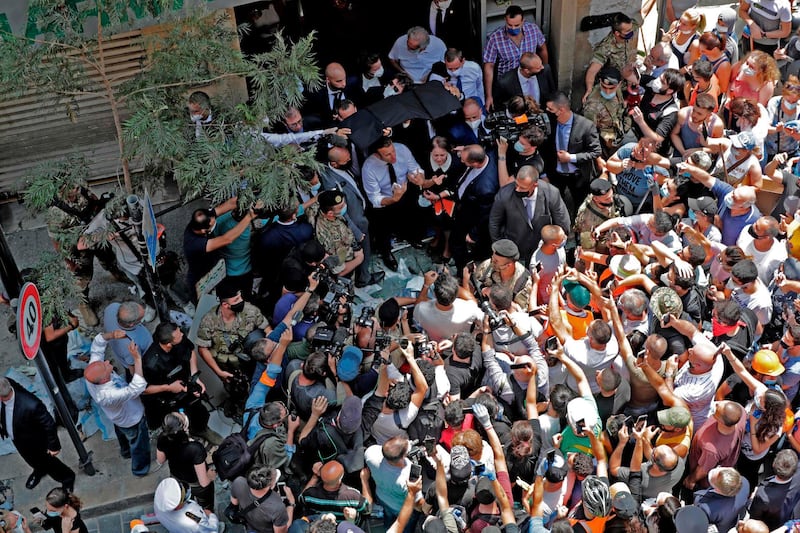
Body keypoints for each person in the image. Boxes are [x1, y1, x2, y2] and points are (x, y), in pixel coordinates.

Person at [84, 330, 150, 477]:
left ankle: (125, 452)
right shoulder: (108, 395)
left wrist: (113, 335)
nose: (107, 362)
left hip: (117, 417)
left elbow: (97, 343)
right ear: (103, 380)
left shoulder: (94, 371)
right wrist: (137, 359)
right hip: (131, 419)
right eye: (106, 367)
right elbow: (137, 388)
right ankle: (140, 469)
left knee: (122, 434)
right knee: (139, 444)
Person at [0, 377, 75, 492]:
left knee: (50, 463)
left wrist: (53, 446)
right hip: (19, 439)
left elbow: (49, 424)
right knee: (30, 459)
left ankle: (67, 478)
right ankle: (39, 470)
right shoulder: (5, 383)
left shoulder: (32, 405)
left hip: (36, 441)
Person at [361, 137, 424, 271]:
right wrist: (394, 199)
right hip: (385, 201)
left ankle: (410, 236)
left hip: (405, 191)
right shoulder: (369, 167)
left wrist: (419, 178)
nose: (394, 156)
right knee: (383, 229)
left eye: (393, 151)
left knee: (410, 217)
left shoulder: (402, 148)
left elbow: (415, 168)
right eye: (388, 154)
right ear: (377, 154)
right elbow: (374, 198)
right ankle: (386, 252)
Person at [141, 321, 212, 437]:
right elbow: (143, 389)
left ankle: (202, 430)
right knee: (177, 424)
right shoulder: (151, 363)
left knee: (199, 413)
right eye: (179, 335)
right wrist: (169, 387)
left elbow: (190, 351)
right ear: (169, 344)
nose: (183, 335)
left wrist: (194, 376)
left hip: (185, 385)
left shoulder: (180, 339)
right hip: (167, 399)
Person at [489, 165, 570, 266]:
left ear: (535, 185)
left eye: (523, 188)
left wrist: (555, 244)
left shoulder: (551, 193)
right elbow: (494, 223)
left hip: (543, 249)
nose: (517, 189)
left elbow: (562, 222)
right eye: (516, 185)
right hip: (516, 248)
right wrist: (501, 250)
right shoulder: (504, 194)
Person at [182, 197, 256, 297]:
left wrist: (247, 197)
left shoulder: (204, 219)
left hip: (215, 271)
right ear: (204, 231)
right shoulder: (195, 243)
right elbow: (227, 239)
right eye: (213, 224)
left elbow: (229, 204)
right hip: (202, 281)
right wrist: (248, 217)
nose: (215, 221)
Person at [542, 91, 601, 216]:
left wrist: (571, 158)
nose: (547, 111)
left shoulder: (586, 126)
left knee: (580, 206)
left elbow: (595, 151)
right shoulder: (550, 124)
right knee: (555, 204)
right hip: (556, 174)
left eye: (550, 109)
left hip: (578, 176)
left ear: (561, 110)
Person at [482, 5, 548, 111]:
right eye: (510, 25)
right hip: (508, 84)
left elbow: (542, 49)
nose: (513, 28)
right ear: (505, 20)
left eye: (517, 25)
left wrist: (543, 70)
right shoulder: (495, 38)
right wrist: (489, 96)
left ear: (523, 21)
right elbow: (489, 66)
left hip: (530, 78)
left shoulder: (533, 30)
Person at [450, 144, 500, 269]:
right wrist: (466, 149)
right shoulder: (488, 152)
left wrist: (473, 234)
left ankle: (462, 269)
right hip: (462, 207)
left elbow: (485, 215)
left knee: (457, 242)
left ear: (476, 164)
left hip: (469, 218)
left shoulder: (486, 188)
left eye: (464, 160)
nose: (461, 160)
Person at [156, 411, 217, 512]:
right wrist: (211, 476)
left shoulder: (162, 438)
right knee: (206, 507)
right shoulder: (195, 449)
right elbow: (204, 482)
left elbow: (160, 460)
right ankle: (211, 525)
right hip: (195, 485)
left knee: (183, 503)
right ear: (184, 428)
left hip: (177, 479)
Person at [582, 13, 638, 103]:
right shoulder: (606, 47)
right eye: (627, 31)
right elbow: (592, 70)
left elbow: (638, 21)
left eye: (631, 29)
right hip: (612, 88)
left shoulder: (631, 26)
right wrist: (589, 89)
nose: (631, 32)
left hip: (627, 83)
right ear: (617, 33)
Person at [297, 460, 370, 525]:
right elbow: (367, 510)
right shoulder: (353, 496)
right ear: (340, 479)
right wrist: (364, 480)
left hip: (323, 528)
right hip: (346, 528)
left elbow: (300, 499)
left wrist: (315, 477)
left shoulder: (310, 495)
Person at [311, 190, 364, 277]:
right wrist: (359, 259)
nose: (344, 206)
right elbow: (338, 268)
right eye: (341, 207)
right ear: (330, 213)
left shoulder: (319, 208)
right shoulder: (330, 236)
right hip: (347, 266)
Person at [582, 67, 630, 159]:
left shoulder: (618, 89)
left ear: (619, 84)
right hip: (606, 139)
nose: (607, 91)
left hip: (620, 127)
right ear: (600, 82)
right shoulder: (592, 106)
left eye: (611, 88)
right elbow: (590, 134)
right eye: (604, 87)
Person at [230, 465, 293, 533]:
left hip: (248, 523)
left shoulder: (238, 481)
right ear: (271, 485)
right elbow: (281, 531)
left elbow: (234, 503)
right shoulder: (278, 507)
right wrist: (291, 504)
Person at [102, 301, 153, 378]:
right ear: (131, 324)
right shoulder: (129, 346)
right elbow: (132, 367)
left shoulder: (112, 307)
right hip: (142, 360)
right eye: (141, 318)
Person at [153, 477, 220, 533]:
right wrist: (211, 515)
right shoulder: (193, 519)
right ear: (178, 505)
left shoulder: (159, 503)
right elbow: (211, 529)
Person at [302, 62, 356, 129]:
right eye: (339, 81)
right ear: (328, 80)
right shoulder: (315, 93)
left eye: (344, 78)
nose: (344, 84)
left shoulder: (352, 83)